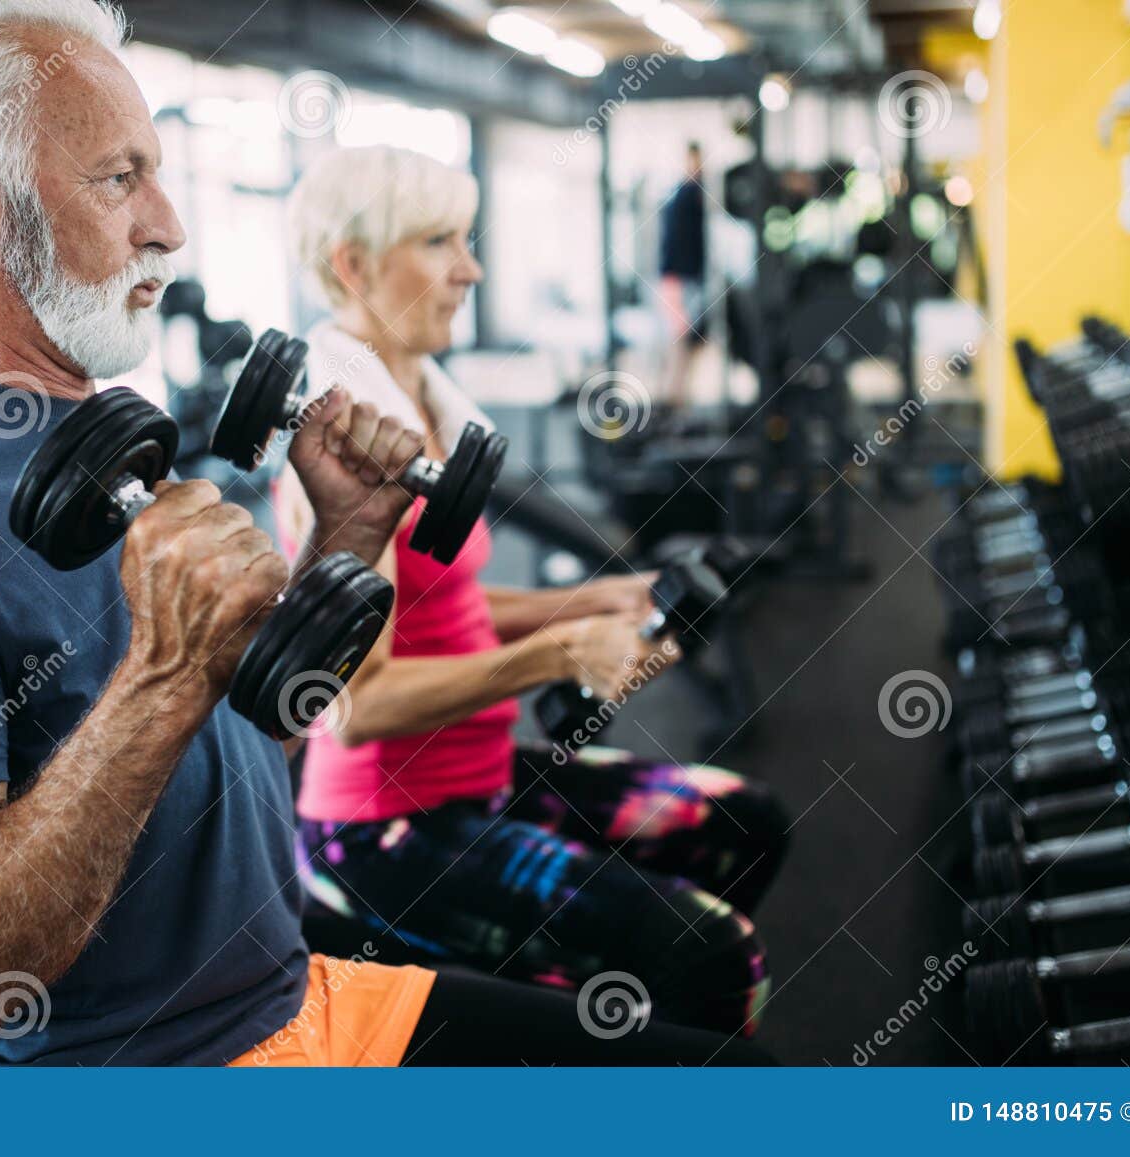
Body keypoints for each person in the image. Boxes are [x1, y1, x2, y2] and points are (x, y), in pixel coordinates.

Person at [0, 0, 769, 1066]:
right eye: (118, 178)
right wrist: (162, 674)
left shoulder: (96, 440)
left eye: (154, 173)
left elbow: (241, 749)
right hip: (158, 1073)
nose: (167, 222)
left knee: (728, 1067)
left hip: (291, 995)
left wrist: (344, 540)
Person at [277, 145, 789, 1037]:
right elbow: (356, 703)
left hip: (478, 776)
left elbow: (454, 612)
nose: (471, 269)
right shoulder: (347, 445)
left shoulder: (427, 406)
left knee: (744, 822)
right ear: (352, 266)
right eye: (440, 242)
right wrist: (556, 654)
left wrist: (608, 601)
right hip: (385, 827)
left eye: (467, 240)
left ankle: (609, 1031)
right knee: (716, 957)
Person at [658, 141, 710, 412]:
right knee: (681, 338)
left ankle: (679, 395)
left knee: (692, 339)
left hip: (689, 278)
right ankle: (672, 397)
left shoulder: (692, 194)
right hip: (679, 278)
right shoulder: (685, 196)